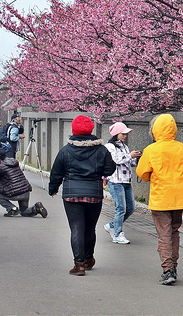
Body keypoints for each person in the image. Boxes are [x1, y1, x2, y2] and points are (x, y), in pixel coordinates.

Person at [48, 115, 115, 276]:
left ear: (73, 130)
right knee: (90, 228)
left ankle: (79, 265)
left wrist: (53, 188)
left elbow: (56, 172)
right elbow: (110, 169)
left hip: (72, 195)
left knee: (77, 228)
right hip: (94, 194)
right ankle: (88, 258)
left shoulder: (66, 151)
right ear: (91, 129)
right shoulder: (101, 150)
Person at [136, 114, 183, 286]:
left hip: (161, 198)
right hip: (178, 198)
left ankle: (167, 270)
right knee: (174, 232)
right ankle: (173, 267)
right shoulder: (182, 148)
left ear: (155, 130)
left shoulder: (152, 149)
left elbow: (142, 173)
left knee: (164, 234)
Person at [103, 121, 141, 244]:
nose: (125, 135)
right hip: (115, 181)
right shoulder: (109, 147)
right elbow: (117, 160)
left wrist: (137, 158)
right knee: (120, 208)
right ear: (116, 134)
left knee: (130, 208)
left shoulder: (124, 146)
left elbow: (129, 163)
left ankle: (112, 226)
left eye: (126, 133)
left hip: (126, 181)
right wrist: (130, 155)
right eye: (123, 133)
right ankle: (117, 234)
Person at [0, 154, 48, 218]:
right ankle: (36, 208)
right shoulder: (13, 162)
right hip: (25, 191)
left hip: (15, 193)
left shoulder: (0, 167)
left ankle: (12, 208)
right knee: (24, 211)